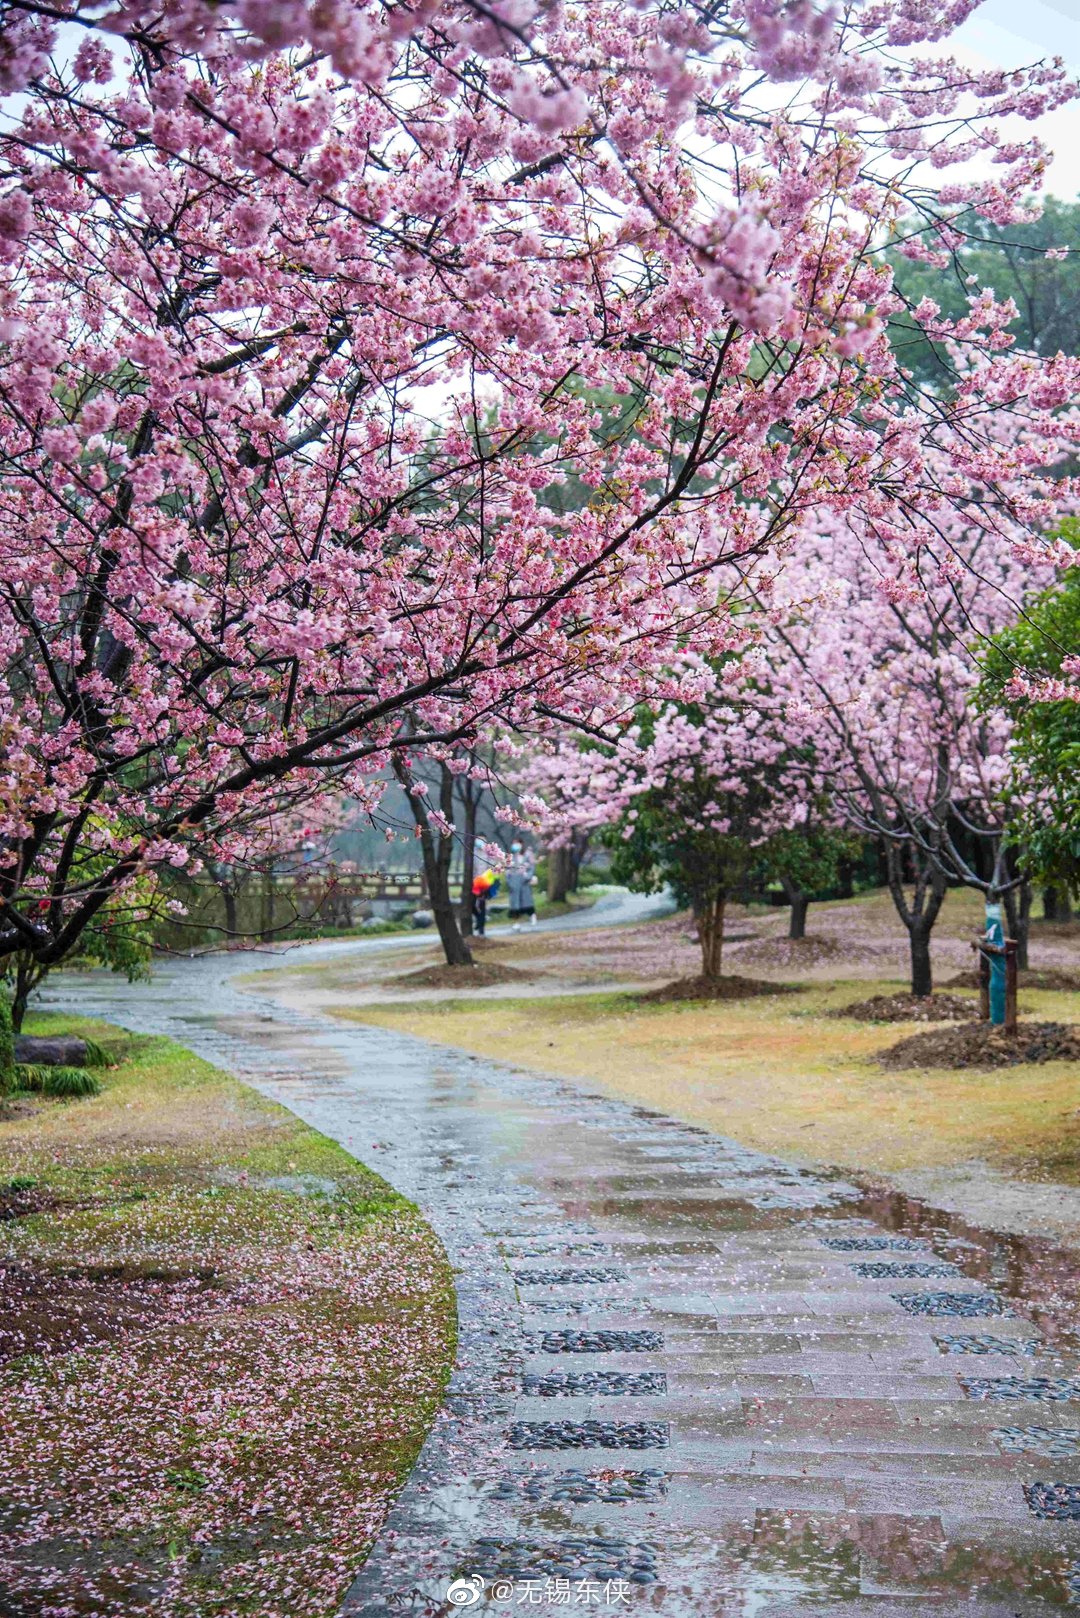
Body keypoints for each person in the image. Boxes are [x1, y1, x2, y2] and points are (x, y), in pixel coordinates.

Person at [507, 841, 537, 930]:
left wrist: (527, 876)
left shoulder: (527, 856)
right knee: (515, 905)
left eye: (517, 843)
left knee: (527, 902)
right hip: (514, 883)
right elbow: (507, 871)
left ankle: (532, 915)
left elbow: (531, 868)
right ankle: (517, 923)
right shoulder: (511, 857)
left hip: (524, 883)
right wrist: (510, 882)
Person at [471, 869, 499, 937]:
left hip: (481, 896)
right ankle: (479, 926)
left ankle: (481, 932)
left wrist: (484, 894)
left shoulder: (489, 878)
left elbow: (491, 887)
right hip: (474, 896)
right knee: (478, 914)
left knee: (481, 914)